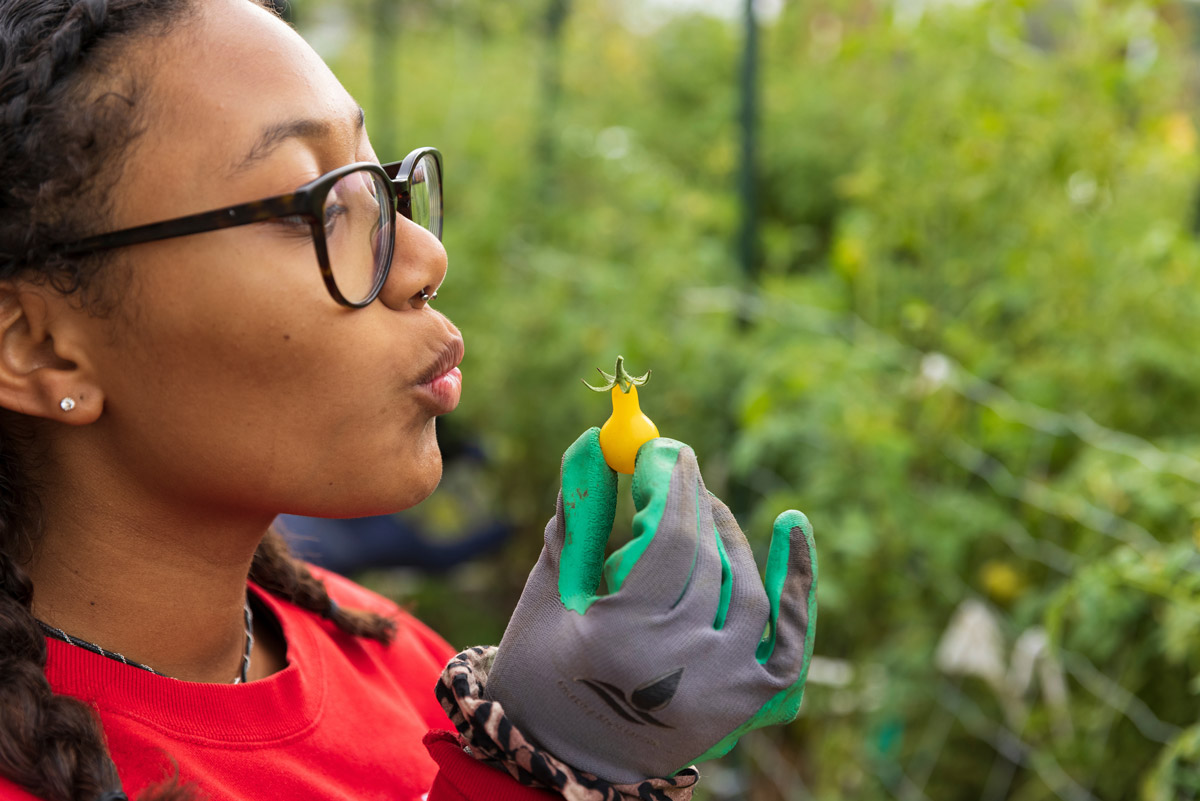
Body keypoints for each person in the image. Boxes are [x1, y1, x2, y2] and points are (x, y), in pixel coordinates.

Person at [0, 2, 818, 801]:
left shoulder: (391, 658)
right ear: (40, 346)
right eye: (314, 204)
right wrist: (550, 763)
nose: (425, 257)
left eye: (380, 185)